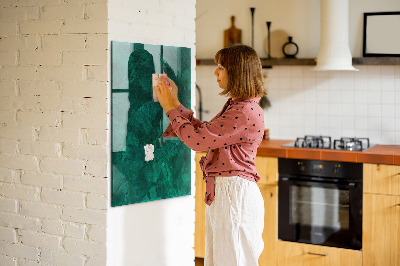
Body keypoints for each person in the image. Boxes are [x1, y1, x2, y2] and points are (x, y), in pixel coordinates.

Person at [153, 44, 266, 266]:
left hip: (234, 195)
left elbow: (197, 141)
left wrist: (169, 108)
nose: (215, 72)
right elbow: (205, 133)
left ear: (237, 71)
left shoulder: (243, 111)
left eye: (221, 67)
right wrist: (175, 103)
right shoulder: (239, 106)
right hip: (228, 193)